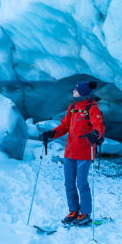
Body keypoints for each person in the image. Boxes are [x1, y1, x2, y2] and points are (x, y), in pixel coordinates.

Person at [40, 81, 105, 226]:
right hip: (70, 152)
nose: (73, 92)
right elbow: (64, 126)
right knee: (69, 183)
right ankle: (73, 211)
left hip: (85, 152)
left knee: (82, 183)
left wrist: (95, 134)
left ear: (82, 92)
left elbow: (98, 126)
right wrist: (51, 133)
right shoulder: (73, 107)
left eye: (75, 90)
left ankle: (85, 213)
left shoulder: (91, 108)